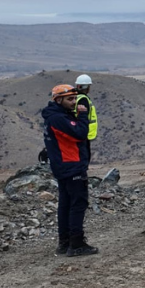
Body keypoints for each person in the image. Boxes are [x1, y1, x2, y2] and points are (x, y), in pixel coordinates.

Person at [43, 84, 98, 257]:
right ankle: (76, 244)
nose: (74, 102)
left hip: (63, 166)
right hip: (71, 165)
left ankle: (64, 242)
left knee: (66, 204)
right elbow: (81, 133)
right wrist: (82, 115)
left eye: (75, 98)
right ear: (58, 100)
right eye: (70, 99)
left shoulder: (56, 116)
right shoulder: (58, 118)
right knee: (78, 204)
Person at [74, 74, 98, 155]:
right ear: (87, 87)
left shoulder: (75, 97)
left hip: (78, 132)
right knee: (84, 156)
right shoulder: (83, 99)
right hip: (84, 133)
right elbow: (83, 117)